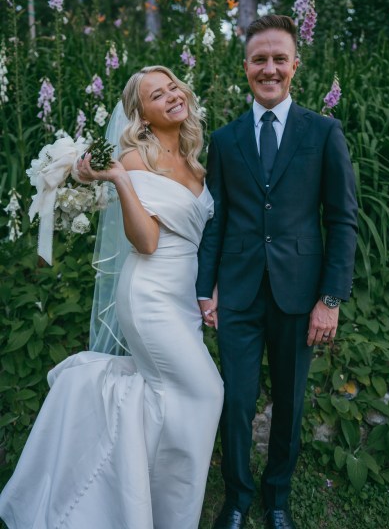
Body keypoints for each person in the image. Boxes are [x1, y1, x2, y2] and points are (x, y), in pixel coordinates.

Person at [0, 66, 224, 529]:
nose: (171, 96)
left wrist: (212, 288)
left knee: (173, 403)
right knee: (206, 392)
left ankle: (135, 500)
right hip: (149, 298)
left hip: (182, 300)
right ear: (141, 115)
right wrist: (120, 179)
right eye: (157, 95)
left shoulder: (194, 157)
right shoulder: (135, 159)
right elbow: (145, 242)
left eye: (173, 86)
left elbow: (201, 235)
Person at [196, 15, 358, 529]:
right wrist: (206, 290)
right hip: (239, 295)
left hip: (299, 294)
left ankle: (278, 498)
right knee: (237, 401)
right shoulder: (224, 139)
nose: (269, 68)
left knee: (288, 405)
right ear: (245, 66)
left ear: (295, 65)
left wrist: (330, 299)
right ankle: (238, 498)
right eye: (259, 59)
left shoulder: (324, 131)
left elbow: (342, 219)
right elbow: (215, 219)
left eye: (279, 58)